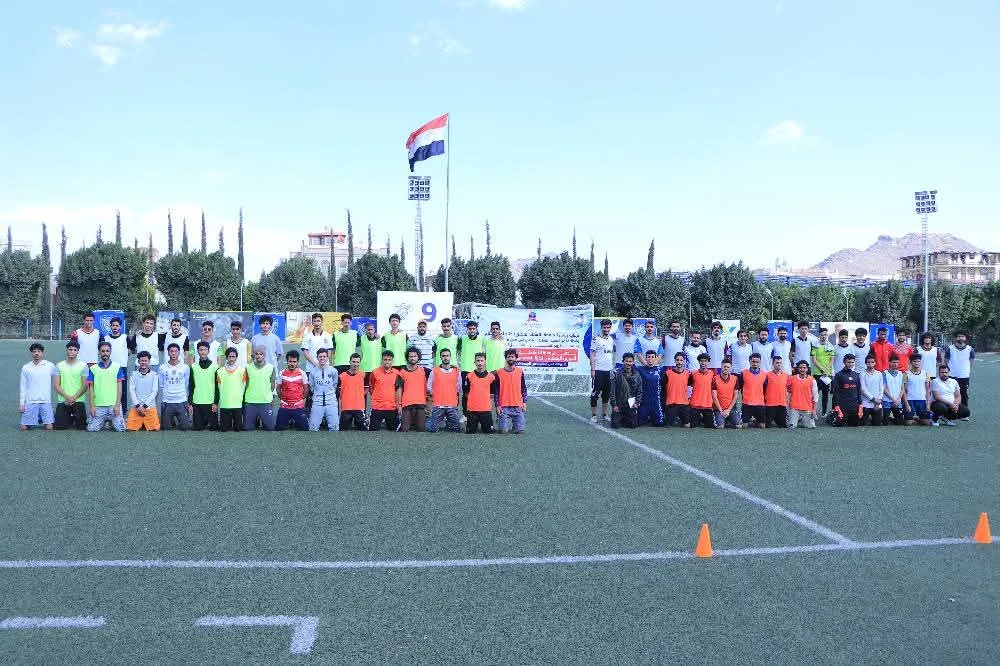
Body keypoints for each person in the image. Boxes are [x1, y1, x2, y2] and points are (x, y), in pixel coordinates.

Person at [86, 341, 126, 432]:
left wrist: (117, 405)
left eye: (107, 351)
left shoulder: (117, 367)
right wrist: (92, 406)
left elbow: (120, 389)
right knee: (91, 429)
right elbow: (91, 389)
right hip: (99, 406)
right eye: (103, 351)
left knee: (121, 429)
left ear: (110, 352)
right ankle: (104, 421)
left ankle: (111, 420)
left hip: (113, 405)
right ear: (99, 352)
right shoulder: (93, 368)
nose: (105, 353)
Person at [19, 343, 56, 430]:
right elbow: (23, 386)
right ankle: (37, 417)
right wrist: (22, 404)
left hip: (45, 401)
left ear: (42, 353)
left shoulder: (50, 366)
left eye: (39, 351)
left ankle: (47, 416)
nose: (36, 353)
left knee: (49, 427)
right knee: (23, 428)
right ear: (31, 353)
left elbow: (58, 380)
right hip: (31, 401)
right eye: (34, 351)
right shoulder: (26, 367)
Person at [53, 340, 88, 430]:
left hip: (78, 401)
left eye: (74, 350)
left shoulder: (83, 365)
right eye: (70, 349)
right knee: (60, 427)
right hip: (63, 401)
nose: (72, 351)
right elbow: (56, 385)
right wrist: (67, 397)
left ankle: (73, 417)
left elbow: (85, 385)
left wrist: (74, 398)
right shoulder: (59, 365)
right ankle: (68, 417)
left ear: (78, 351)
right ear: (66, 350)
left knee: (81, 427)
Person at [158, 343, 192, 430]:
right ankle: (170, 418)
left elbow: (186, 384)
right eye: (171, 351)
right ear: (168, 353)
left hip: (181, 401)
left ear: (179, 352)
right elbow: (161, 384)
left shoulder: (185, 367)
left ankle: (178, 416)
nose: (173, 353)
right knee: (165, 428)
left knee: (185, 427)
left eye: (176, 351)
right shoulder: (162, 368)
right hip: (167, 402)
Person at [273, 350, 309, 431]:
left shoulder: (302, 373)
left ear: (297, 362)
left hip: (298, 406)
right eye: (290, 361)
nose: (292, 364)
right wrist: (283, 399)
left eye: (294, 361)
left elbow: (306, 389)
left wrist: (300, 399)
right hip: (285, 406)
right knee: (279, 428)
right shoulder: (281, 373)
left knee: (305, 429)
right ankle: (290, 421)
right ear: (287, 361)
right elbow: (278, 389)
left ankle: (294, 421)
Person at [427, 348, 461, 433]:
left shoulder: (456, 371)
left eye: (447, 356)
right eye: (443, 356)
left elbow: (459, 387)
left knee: (457, 429)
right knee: (432, 429)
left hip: (451, 406)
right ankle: (430, 419)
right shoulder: (434, 371)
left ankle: (448, 420)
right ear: (440, 357)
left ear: (450, 357)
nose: (445, 358)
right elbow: (429, 386)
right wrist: (437, 395)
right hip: (439, 406)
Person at [243, 346, 276, 431]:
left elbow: (272, 384)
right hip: (251, 401)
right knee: (247, 428)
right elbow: (245, 383)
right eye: (256, 354)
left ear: (264, 355)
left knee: (270, 428)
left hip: (265, 401)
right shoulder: (247, 367)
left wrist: (270, 397)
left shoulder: (271, 367)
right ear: (253, 355)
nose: (258, 356)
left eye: (261, 354)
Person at [189, 341, 220, 431]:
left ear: (208, 351)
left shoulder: (215, 366)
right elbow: (191, 386)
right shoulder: (193, 367)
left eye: (205, 350)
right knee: (197, 428)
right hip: (197, 402)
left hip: (210, 402)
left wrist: (215, 402)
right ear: (197, 352)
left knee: (214, 428)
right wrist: (191, 403)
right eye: (200, 350)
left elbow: (217, 387)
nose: (203, 352)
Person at [369, 350, 403, 432]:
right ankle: (369, 419)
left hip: (391, 407)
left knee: (394, 429)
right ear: (382, 360)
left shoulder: (397, 373)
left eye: (389, 360)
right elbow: (371, 387)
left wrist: (399, 405)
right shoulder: (374, 372)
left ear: (392, 361)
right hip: (377, 407)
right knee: (373, 429)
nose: (387, 362)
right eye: (385, 359)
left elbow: (398, 390)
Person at [126, 351, 160, 431]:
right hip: (136, 407)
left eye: (145, 361)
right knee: (129, 429)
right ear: (138, 362)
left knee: (156, 429)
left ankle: (144, 422)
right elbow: (132, 391)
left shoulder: (154, 375)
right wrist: (138, 406)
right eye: (141, 361)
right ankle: (141, 422)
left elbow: (154, 392)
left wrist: (144, 406)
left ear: (149, 361)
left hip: (149, 407)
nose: (143, 362)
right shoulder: (133, 374)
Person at [495, 348, 527, 434]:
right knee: (503, 431)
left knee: (520, 431)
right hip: (503, 407)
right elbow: (496, 391)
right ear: (506, 358)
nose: (511, 359)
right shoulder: (499, 372)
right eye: (509, 357)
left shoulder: (520, 371)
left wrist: (524, 402)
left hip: (517, 407)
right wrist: (497, 406)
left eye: (512, 357)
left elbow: (523, 388)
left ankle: (516, 425)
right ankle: (501, 421)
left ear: (516, 358)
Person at [464, 352, 497, 434]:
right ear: (474, 362)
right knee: (470, 432)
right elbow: (466, 393)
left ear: (485, 361)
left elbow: (492, 394)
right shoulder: (469, 376)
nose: (480, 363)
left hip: (485, 410)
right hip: (472, 410)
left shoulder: (491, 377)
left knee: (489, 432)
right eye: (478, 361)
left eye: (482, 361)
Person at [457, 320, 485, 415]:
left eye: (474, 328)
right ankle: (465, 414)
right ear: (467, 329)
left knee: (478, 393)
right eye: (470, 329)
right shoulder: (462, 339)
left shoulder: (482, 339)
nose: (472, 330)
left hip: (478, 371)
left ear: (477, 329)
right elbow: (457, 351)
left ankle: (479, 414)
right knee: (465, 394)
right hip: (465, 371)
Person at [216, 348, 248, 432]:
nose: (231, 359)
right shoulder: (220, 371)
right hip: (225, 404)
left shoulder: (242, 370)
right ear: (226, 357)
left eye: (233, 357)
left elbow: (244, 386)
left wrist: (240, 397)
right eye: (229, 357)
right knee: (223, 429)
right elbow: (219, 387)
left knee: (238, 429)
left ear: (236, 357)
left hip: (237, 403)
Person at [308, 349, 340, 432]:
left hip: (331, 402)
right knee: (313, 428)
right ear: (317, 358)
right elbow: (311, 386)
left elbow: (334, 385)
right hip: (317, 402)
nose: (322, 358)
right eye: (320, 357)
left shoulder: (333, 371)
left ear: (327, 357)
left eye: (324, 356)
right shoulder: (313, 372)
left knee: (335, 428)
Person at [399, 347, 430, 432]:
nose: (412, 358)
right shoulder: (402, 372)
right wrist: (399, 404)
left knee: (421, 429)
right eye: (410, 356)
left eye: (414, 356)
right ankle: (409, 419)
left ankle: (423, 416)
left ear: (418, 357)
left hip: (420, 403)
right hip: (407, 403)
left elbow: (439, 372)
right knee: (405, 429)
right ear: (407, 358)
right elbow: (399, 388)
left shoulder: (425, 371)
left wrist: (451, 367)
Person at [590, 318, 615, 423]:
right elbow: (592, 354)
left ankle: (604, 414)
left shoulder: (611, 339)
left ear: (610, 328)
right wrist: (593, 370)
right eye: (604, 327)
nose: (606, 329)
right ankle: (594, 415)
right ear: (601, 327)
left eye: (608, 327)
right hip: (598, 370)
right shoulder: (595, 339)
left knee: (606, 394)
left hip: (608, 371)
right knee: (595, 393)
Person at [609, 352, 642, 429]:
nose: (628, 363)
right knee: (615, 425)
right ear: (623, 361)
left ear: (633, 362)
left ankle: (625, 417)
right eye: (626, 361)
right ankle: (619, 416)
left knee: (633, 425)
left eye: (630, 361)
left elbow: (640, 391)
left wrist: (637, 403)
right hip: (619, 404)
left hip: (630, 404)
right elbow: (612, 391)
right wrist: (614, 405)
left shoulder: (637, 374)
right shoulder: (616, 374)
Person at [945, 332, 974, 414]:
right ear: (956, 338)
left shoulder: (970, 349)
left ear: (965, 338)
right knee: (950, 394)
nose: (960, 338)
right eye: (958, 336)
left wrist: (966, 370)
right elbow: (946, 360)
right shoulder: (950, 348)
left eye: (962, 336)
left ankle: (964, 413)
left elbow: (971, 361)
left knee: (964, 394)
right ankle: (950, 412)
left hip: (964, 376)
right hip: (951, 375)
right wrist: (950, 370)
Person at [337, 353, 368, 431]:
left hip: (359, 407)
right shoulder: (342, 376)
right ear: (349, 362)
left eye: (357, 362)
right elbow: (340, 390)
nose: (355, 364)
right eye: (353, 361)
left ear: (360, 363)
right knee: (343, 429)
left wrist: (359, 395)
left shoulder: (363, 375)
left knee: (362, 428)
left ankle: (365, 420)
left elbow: (366, 389)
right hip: (346, 407)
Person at [831, 354, 862, 427]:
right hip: (843, 405)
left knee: (854, 424)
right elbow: (836, 392)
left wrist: (860, 404)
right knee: (840, 424)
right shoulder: (838, 375)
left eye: (852, 362)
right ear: (844, 362)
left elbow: (858, 390)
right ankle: (832, 415)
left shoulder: (856, 375)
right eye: (848, 362)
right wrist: (835, 406)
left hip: (854, 405)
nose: (850, 364)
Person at [106, 316, 130, 413]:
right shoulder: (106, 338)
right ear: (110, 327)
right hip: (109, 368)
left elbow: (131, 349)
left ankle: (123, 412)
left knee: (123, 392)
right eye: (113, 325)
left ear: (120, 327)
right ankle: (109, 413)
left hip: (122, 368)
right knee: (109, 390)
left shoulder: (125, 337)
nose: (115, 327)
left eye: (117, 325)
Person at [636, 350, 665, 427]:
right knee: (637, 423)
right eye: (648, 357)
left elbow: (664, 384)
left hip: (656, 401)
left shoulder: (660, 370)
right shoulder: (640, 369)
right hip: (644, 401)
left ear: (656, 358)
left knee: (660, 424)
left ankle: (653, 417)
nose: (650, 359)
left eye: (652, 357)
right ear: (645, 358)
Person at [811, 328, 835, 416]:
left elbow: (831, 360)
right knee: (815, 395)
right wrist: (822, 369)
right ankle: (813, 412)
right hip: (817, 374)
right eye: (822, 335)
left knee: (825, 395)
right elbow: (814, 360)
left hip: (826, 375)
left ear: (827, 336)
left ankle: (824, 412)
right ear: (819, 336)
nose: (824, 336)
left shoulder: (831, 346)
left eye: (825, 335)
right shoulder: (815, 346)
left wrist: (826, 370)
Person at [787, 360, 819, 429]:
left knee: (810, 427)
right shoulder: (792, 379)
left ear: (807, 369)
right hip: (794, 408)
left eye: (804, 368)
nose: (802, 369)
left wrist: (814, 410)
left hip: (807, 409)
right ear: (798, 369)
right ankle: (796, 418)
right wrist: (788, 407)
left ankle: (802, 419)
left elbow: (815, 396)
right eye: (800, 368)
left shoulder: (812, 380)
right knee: (792, 426)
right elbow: (788, 393)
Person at [740, 353, 768, 429]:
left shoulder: (764, 374)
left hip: (760, 404)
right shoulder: (743, 373)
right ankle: (748, 419)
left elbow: (765, 388)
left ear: (760, 362)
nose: (755, 363)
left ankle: (755, 421)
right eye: (753, 361)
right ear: (750, 361)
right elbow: (741, 387)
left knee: (762, 426)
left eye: (757, 362)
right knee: (744, 426)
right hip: (747, 403)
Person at [663, 352, 691, 428]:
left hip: (684, 404)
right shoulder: (667, 373)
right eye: (677, 360)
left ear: (684, 361)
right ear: (675, 361)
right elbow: (663, 390)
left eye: (681, 360)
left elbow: (691, 386)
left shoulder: (687, 373)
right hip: (671, 404)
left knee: (687, 425)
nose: (679, 362)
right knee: (668, 425)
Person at [902, 355, 931, 426]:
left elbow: (928, 390)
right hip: (910, 400)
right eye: (914, 361)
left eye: (918, 361)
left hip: (922, 400)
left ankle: (915, 418)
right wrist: (906, 404)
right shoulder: (906, 374)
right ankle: (910, 418)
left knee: (927, 423)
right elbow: (903, 390)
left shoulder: (926, 373)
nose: (917, 363)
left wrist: (928, 403)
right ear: (910, 362)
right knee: (908, 423)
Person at [712, 359, 741, 429]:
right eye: (724, 366)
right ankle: (723, 419)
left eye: (728, 367)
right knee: (720, 426)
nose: (726, 368)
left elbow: (736, 396)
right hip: (719, 409)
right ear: (721, 367)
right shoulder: (715, 379)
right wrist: (721, 411)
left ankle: (728, 419)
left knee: (738, 426)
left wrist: (728, 410)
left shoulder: (735, 379)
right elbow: (714, 397)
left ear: (731, 368)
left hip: (731, 409)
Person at [689, 353, 715, 428]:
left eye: (705, 361)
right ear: (699, 362)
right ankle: (699, 419)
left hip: (707, 405)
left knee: (709, 426)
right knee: (692, 426)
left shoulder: (712, 374)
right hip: (695, 405)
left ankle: (702, 419)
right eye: (701, 361)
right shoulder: (693, 373)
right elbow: (687, 385)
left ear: (708, 362)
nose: (703, 363)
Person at [764, 356, 789, 428]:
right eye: (777, 363)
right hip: (770, 404)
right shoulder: (767, 375)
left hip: (781, 404)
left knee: (783, 425)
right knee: (767, 425)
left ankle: (778, 419)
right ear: (773, 364)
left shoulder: (786, 376)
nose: (779, 364)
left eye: (780, 363)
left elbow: (788, 389)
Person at [880, 354, 905, 425]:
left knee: (900, 422)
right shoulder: (884, 374)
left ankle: (892, 419)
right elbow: (884, 389)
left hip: (897, 401)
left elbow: (902, 389)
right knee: (885, 422)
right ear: (889, 363)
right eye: (894, 362)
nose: (896, 364)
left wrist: (897, 400)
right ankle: (888, 418)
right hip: (887, 401)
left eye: (897, 362)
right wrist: (893, 400)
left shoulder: (901, 374)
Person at [860, 354, 884, 426]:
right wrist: (873, 399)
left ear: (875, 363)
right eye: (868, 362)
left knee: (877, 424)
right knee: (863, 424)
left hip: (877, 404)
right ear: (865, 363)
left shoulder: (879, 374)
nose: (870, 364)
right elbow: (863, 389)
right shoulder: (862, 374)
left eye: (872, 362)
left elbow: (881, 388)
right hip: (865, 403)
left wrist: (879, 400)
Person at [359, 322, 383, 386]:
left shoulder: (380, 339)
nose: (370, 331)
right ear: (365, 330)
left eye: (371, 329)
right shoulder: (361, 339)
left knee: (376, 390)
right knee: (364, 390)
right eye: (368, 329)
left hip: (377, 369)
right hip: (364, 369)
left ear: (374, 330)